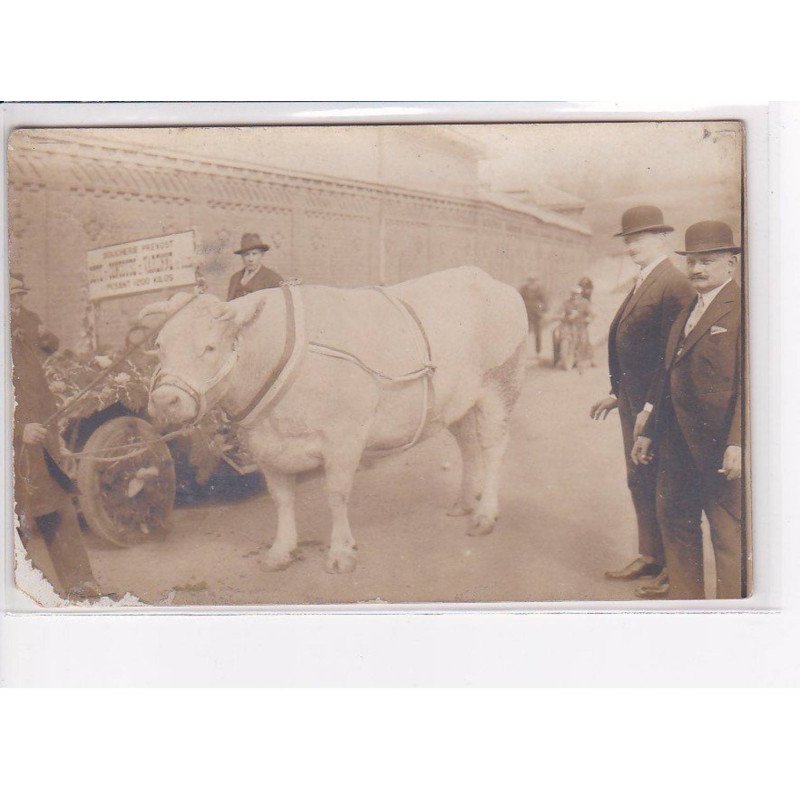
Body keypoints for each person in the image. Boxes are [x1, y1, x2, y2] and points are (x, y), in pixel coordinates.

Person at [632, 221, 744, 599]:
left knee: (727, 536)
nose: (696, 269)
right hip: (676, 446)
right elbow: (669, 377)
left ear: (731, 263)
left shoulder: (744, 310)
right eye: (691, 261)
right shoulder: (686, 312)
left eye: (707, 261)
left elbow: (753, 385)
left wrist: (738, 442)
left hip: (719, 447)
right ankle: (688, 609)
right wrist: (650, 432)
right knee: (677, 525)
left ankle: (734, 618)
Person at [589, 206, 694, 598]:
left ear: (663, 239)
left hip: (659, 407)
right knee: (640, 479)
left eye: (640, 238)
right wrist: (617, 394)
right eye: (628, 239)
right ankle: (650, 555)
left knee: (664, 484)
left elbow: (672, 358)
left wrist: (650, 408)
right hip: (634, 402)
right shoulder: (645, 280)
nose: (632, 246)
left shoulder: (673, 284)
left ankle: (673, 569)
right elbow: (635, 347)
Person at [11, 274, 103, 600]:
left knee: (59, 511)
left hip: (40, 449)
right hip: (12, 455)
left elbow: (39, 391)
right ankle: (18, 603)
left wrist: (53, 436)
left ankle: (82, 588)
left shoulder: (21, 335)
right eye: (11, 299)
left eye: (19, 297)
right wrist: (19, 429)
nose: (17, 305)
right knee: (16, 530)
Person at [226, 233, 284, 301]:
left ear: (262, 254)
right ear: (242, 256)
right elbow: (229, 304)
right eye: (246, 254)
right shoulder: (235, 278)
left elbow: (279, 305)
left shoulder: (273, 279)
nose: (250, 259)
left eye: (254, 254)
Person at [519, 273, 548, 358]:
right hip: (526, 313)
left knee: (538, 333)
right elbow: (519, 299)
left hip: (536, 314)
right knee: (524, 332)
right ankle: (523, 351)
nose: (532, 282)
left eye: (534, 280)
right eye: (530, 280)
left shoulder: (540, 289)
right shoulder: (523, 289)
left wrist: (542, 309)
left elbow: (544, 301)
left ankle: (538, 352)